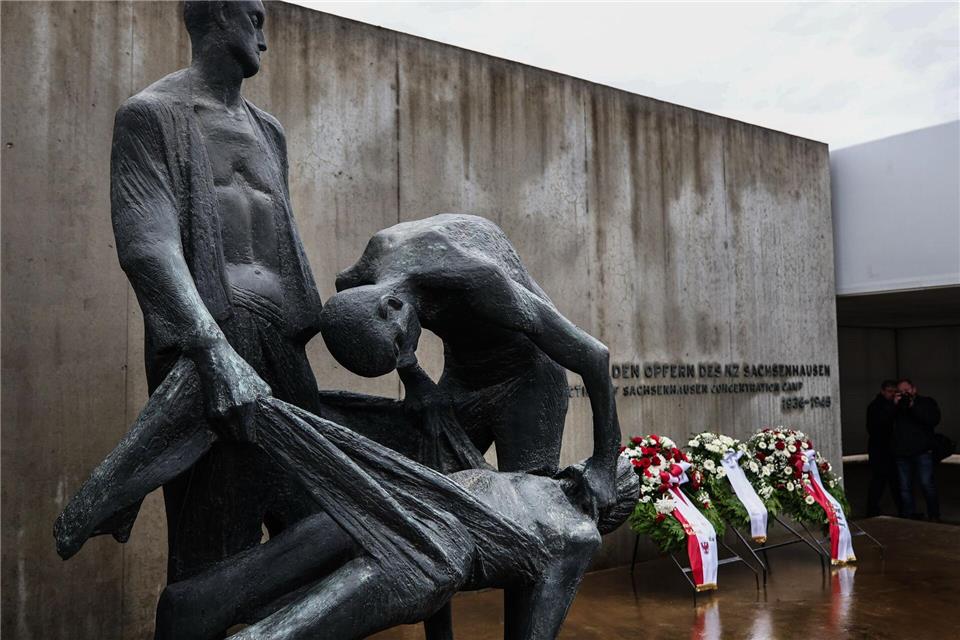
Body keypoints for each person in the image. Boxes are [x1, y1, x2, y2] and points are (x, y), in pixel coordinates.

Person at [108, 0, 337, 581]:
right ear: (218, 18)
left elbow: (280, 242)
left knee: (314, 526)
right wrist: (214, 356)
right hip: (212, 350)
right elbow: (147, 246)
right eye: (255, 19)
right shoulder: (151, 115)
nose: (264, 38)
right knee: (209, 550)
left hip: (282, 352)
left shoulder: (269, 131)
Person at [320, 213, 621, 517]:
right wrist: (413, 377)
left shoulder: (475, 280)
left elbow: (593, 354)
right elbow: (343, 288)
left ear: (391, 305)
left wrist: (604, 464)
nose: (404, 357)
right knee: (433, 499)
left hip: (528, 382)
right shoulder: (364, 276)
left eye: (400, 348)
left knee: (531, 513)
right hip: (462, 378)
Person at [892, 378, 941, 521]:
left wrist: (913, 406)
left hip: (922, 452)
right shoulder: (896, 407)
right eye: (900, 392)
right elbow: (883, 424)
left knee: (927, 484)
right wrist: (894, 406)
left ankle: (934, 515)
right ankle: (909, 515)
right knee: (905, 488)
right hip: (902, 453)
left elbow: (933, 420)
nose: (904, 394)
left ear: (914, 389)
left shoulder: (926, 402)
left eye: (906, 391)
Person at [865, 379, 898, 517]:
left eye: (894, 392)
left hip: (889, 449)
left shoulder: (890, 405)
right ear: (883, 391)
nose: (892, 394)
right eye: (889, 391)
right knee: (879, 481)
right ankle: (872, 509)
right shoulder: (876, 407)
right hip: (880, 450)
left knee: (894, 481)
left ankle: (904, 510)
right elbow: (877, 428)